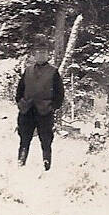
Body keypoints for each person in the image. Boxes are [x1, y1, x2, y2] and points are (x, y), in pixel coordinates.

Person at [15, 37, 64, 170]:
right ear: (34, 55)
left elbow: (60, 94)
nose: (40, 55)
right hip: (27, 110)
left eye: (43, 52)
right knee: (24, 140)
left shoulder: (53, 72)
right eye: (38, 52)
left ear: (48, 55)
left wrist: (52, 107)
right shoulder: (28, 70)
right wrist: (20, 103)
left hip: (44, 111)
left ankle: (46, 166)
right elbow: (19, 90)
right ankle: (21, 164)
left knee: (46, 141)